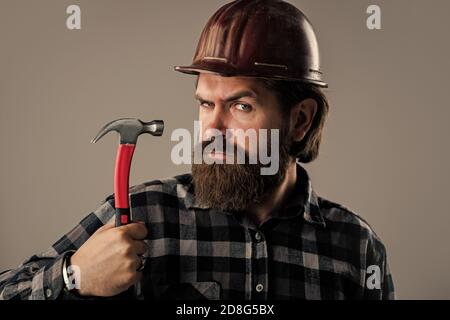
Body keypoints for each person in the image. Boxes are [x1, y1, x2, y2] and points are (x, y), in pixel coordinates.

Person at [0, 0, 394, 300]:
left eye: (242, 106)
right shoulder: (144, 214)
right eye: (206, 104)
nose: (213, 128)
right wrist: (74, 277)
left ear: (300, 120)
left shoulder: (356, 248)